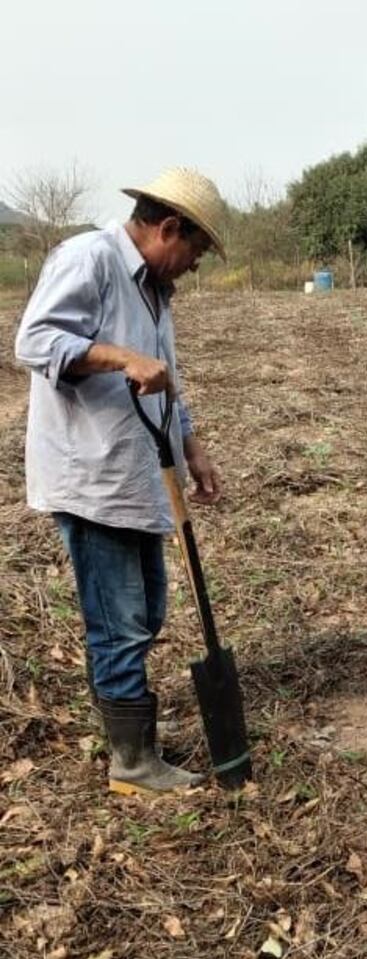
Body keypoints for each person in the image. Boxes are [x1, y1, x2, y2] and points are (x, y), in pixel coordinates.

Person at [15, 167, 227, 796]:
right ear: (168, 229)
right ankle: (131, 760)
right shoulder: (90, 259)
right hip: (91, 476)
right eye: (195, 251)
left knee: (146, 610)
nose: (195, 266)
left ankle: (124, 724)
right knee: (119, 621)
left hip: (139, 475)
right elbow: (34, 339)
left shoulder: (155, 290)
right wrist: (118, 355)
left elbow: (167, 375)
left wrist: (192, 444)